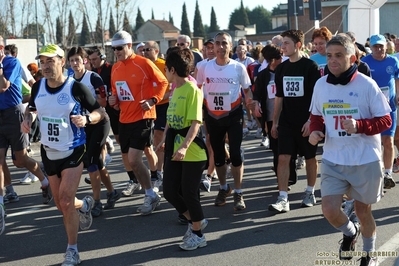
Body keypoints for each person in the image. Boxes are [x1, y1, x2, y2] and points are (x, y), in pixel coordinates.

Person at [309, 34, 392, 266]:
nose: (332, 61)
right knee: (329, 209)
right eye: (328, 56)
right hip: (334, 158)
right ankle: (349, 231)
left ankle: (369, 253)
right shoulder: (320, 84)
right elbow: (316, 115)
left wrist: (360, 126)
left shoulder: (367, 85)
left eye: (338, 56)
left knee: (363, 210)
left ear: (353, 58)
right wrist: (316, 130)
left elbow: (386, 120)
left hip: (365, 159)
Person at [21, 44, 103, 265]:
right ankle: (84, 205)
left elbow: (100, 112)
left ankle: (72, 250)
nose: (45, 66)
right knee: (62, 204)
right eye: (43, 62)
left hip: (73, 151)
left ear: (61, 62)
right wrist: (28, 119)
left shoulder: (75, 88)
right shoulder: (38, 87)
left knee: (65, 201)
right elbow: (32, 108)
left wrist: (87, 119)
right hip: (49, 153)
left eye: (50, 61)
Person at [108, 31, 168, 215]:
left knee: (135, 158)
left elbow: (163, 82)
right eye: (113, 48)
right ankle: (150, 189)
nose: (116, 52)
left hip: (144, 117)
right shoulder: (116, 68)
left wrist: (153, 101)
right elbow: (116, 92)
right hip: (124, 118)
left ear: (129, 45)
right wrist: (114, 100)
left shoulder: (143, 63)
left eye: (119, 48)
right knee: (130, 160)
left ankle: (151, 192)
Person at [159, 48, 208, 250]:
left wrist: (184, 147)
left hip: (192, 151)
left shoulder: (192, 89)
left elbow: (196, 123)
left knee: (189, 192)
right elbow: (171, 120)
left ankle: (198, 234)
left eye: (165, 70)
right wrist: (163, 139)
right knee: (169, 190)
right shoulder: (175, 89)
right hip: (173, 146)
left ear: (172, 69)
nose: (164, 73)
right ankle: (195, 220)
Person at [196, 31, 252, 211]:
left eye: (224, 43)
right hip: (213, 116)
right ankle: (223, 188)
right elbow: (197, 89)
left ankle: (238, 191)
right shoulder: (204, 67)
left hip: (233, 113)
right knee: (218, 155)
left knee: (235, 153)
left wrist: (252, 103)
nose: (220, 47)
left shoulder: (238, 67)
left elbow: (247, 90)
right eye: (217, 43)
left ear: (231, 46)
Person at [269, 29, 321, 213]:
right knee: (283, 158)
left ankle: (309, 192)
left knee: (310, 158)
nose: (282, 47)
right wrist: (275, 122)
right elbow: (279, 97)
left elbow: (317, 96)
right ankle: (283, 198)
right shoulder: (281, 68)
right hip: (287, 122)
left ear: (298, 45)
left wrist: (311, 120)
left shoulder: (310, 67)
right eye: (282, 43)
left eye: (286, 43)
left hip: (306, 121)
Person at [68, 46, 121, 217]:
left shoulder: (93, 77)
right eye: (71, 60)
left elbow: (103, 102)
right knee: (97, 161)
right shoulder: (69, 79)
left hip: (99, 121)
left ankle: (97, 202)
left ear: (85, 60)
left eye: (78, 59)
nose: (75, 63)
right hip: (82, 125)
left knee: (90, 161)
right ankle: (112, 192)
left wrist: (86, 106)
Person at [251, 44, 297, 189]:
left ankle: (290, 177)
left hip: (287, 117)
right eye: (278, 57)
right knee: (277, 150)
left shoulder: (285, 71)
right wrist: (257, 103)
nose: (281, 59)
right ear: (271, 60)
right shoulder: (263, 76)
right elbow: (257, 93)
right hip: (271, 118)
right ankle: (281, 179)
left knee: (289, 150)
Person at [362, 34, 399, 189]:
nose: (378, 49)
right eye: (375, 46)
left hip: (390, 107)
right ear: (370, 47)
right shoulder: (365, 62)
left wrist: (398, 95)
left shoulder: (393, 61)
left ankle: (387, 174)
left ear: (386, 46)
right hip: (371, 108)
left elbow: (397, 78)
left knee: (388, 140)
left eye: (381, 46)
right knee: (373, 142)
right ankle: (374, 171)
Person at [143, 40, 170, 191]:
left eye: (148, 49)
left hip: (163, 105)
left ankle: (159, 171)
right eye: (144, 50)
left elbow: (170, 87)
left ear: (156, 51)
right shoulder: (142, 65)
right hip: (147, 106)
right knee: (150, 141)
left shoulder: (163, 65)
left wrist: (156, 98)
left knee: (159, 136)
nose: (145, 52)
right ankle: (157, 170)